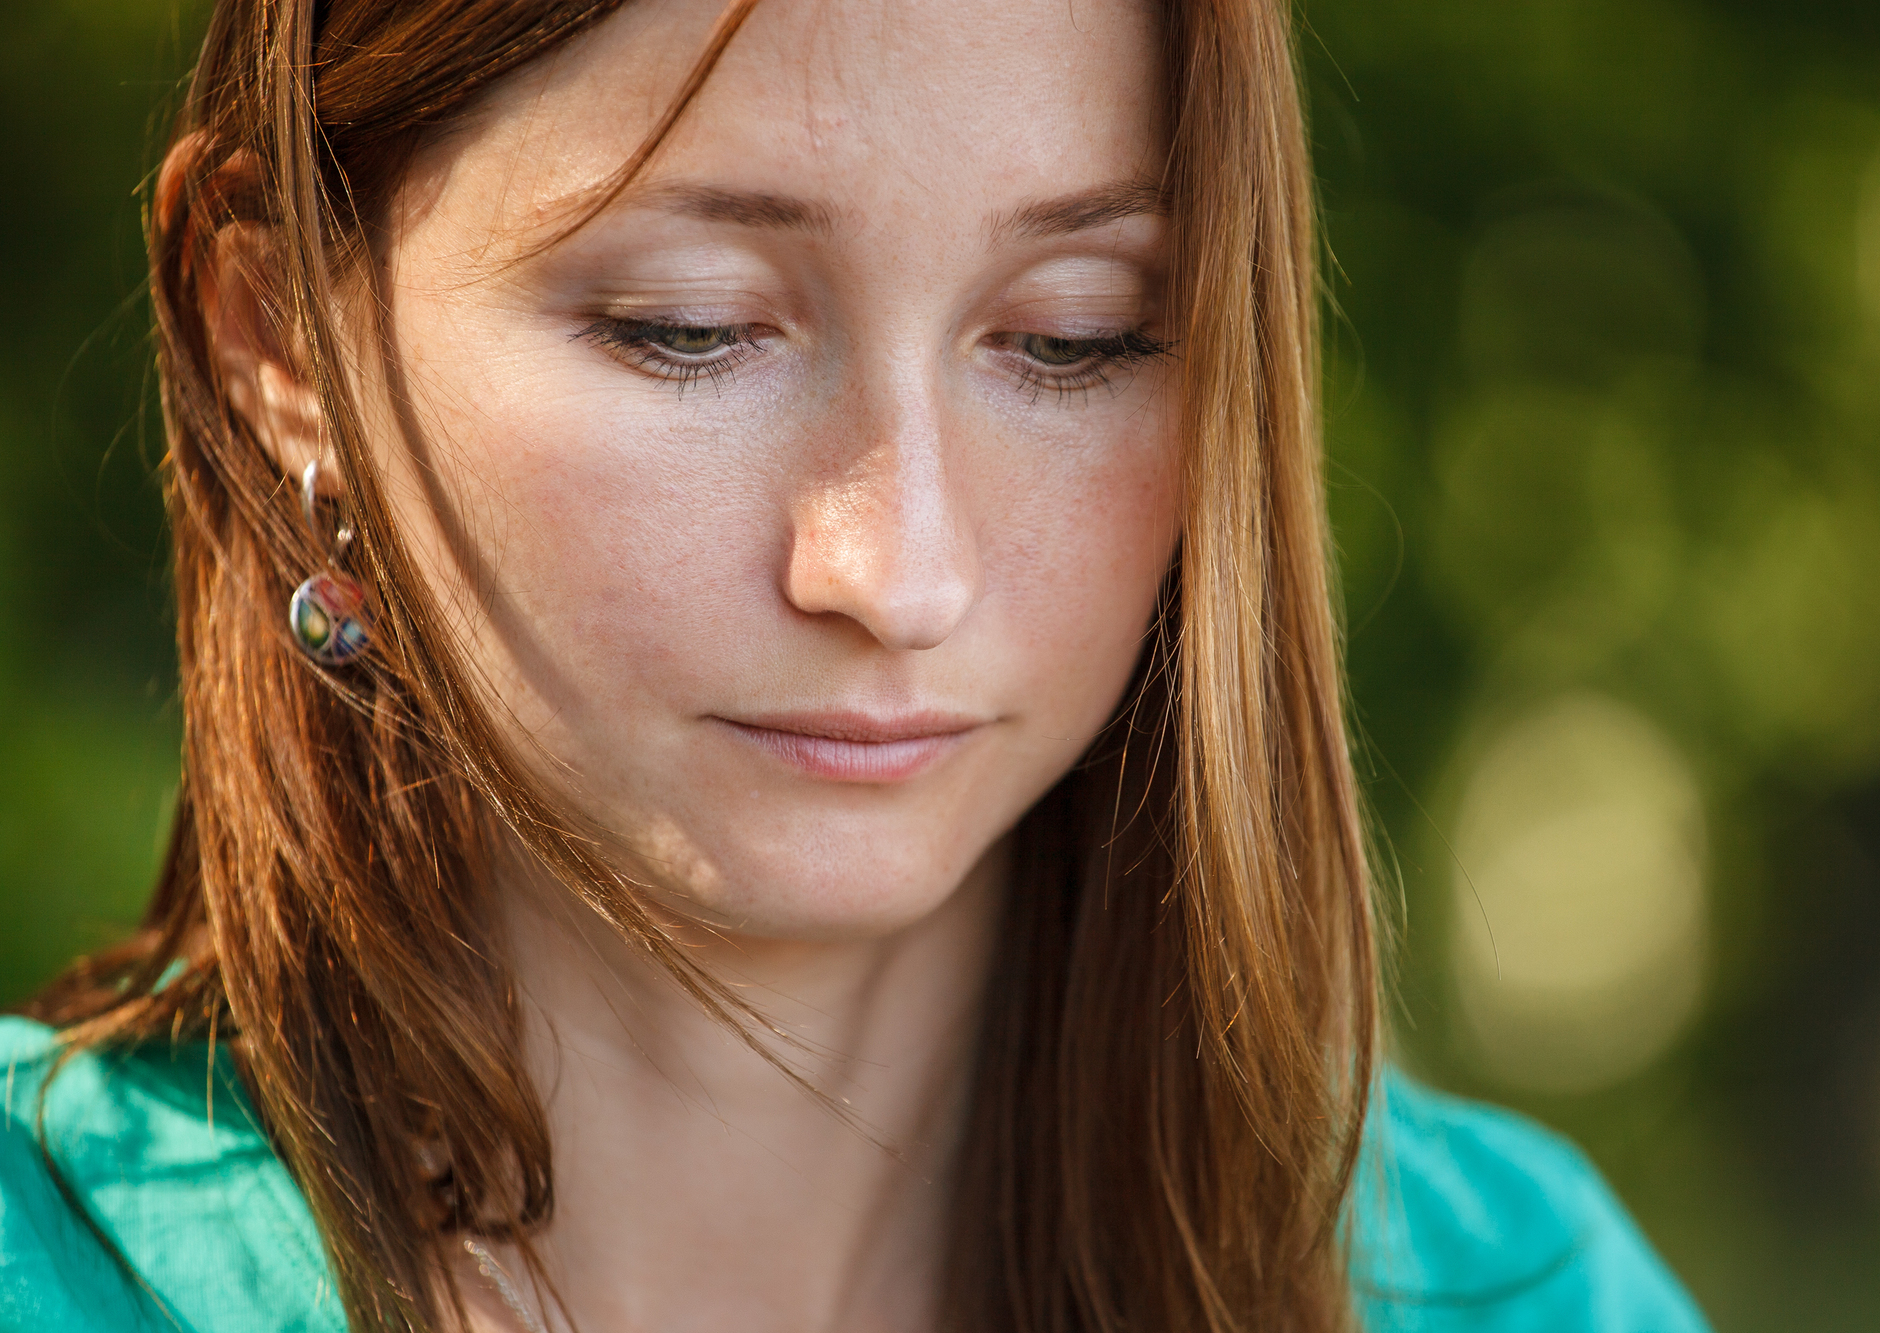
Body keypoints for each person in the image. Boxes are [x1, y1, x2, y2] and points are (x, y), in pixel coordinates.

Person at [0, 1, 1710, 1330]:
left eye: (1074, 335)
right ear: (277, 340)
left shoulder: (1522, 1291)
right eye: (688, 322)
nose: (900, 570)